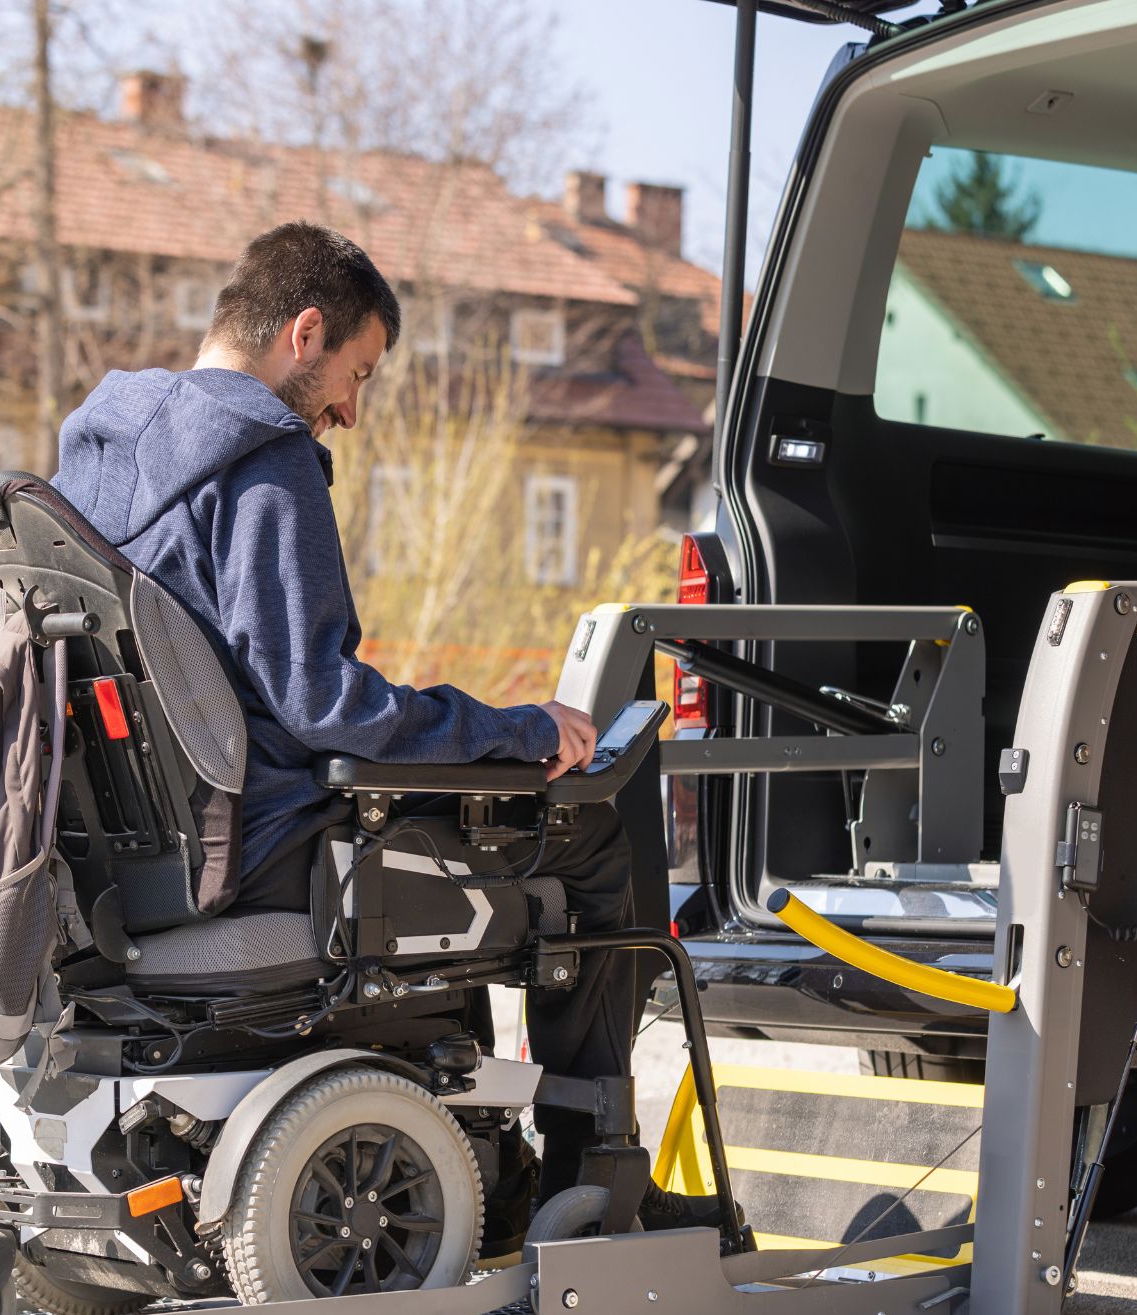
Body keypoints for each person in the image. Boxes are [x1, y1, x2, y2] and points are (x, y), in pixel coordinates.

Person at [52, 221, 726, 1236]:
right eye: (356, 374)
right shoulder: (264, 464)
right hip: (266, 842)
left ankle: (480, 1145)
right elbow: (324, 703)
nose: (351, 413)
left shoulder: (92, 462)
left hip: (131, 857)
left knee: (475, 827)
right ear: (307, 331)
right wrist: (514, 727)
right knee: (582, 826)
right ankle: (588, 1173)